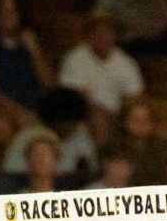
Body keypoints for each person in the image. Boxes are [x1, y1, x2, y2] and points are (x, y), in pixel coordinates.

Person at [58, 14, 146, 146]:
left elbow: (134, 95)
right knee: (97, 116)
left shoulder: (126, 63)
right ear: (89, 35)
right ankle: (103, 161)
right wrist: (104, 112)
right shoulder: (75, 59)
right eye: (99, 33)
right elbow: (73, 96)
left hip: (119, 114)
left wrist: (121, 114)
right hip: (84, 114)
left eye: (108, 33)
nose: (104, 37)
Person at [0, 0, 54, 114]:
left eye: (12, 11)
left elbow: (50, 84)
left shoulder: (30, 45)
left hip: (36, 110)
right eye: (3, 10)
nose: (6, 15)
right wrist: (20, 113)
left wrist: (34, 51)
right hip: (6, 112)